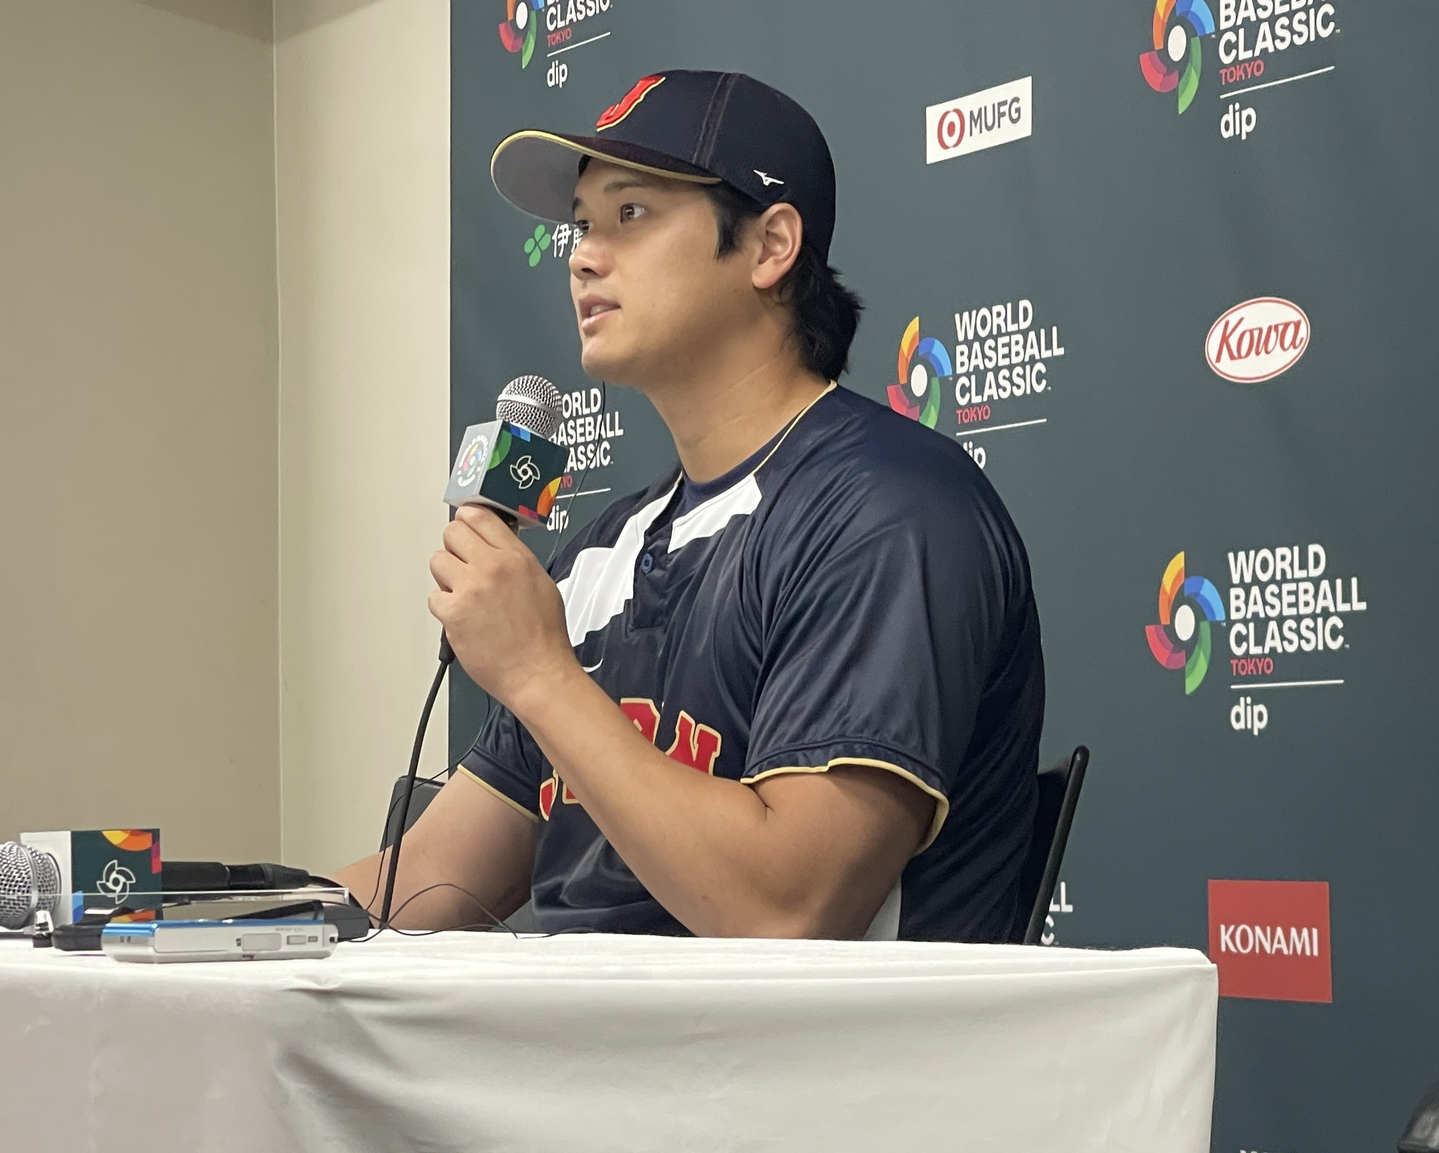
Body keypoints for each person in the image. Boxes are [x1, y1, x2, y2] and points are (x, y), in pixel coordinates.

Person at [334, 70, 1044, 941]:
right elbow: (430, 880)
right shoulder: (601, 551)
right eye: (581, 226)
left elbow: (789, 909)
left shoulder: (887, 509)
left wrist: (539, 673)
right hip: (578, 1057)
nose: (584, 255)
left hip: (809, 1069)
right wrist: (202, 913)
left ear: (768, 246)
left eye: (630, 215)